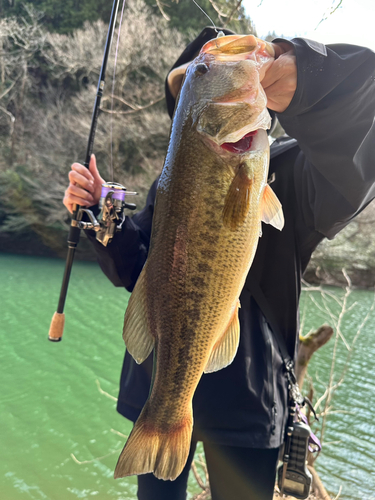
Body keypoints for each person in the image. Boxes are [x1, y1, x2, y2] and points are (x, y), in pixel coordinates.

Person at [63, 27, 375, 500]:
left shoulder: (297, 172)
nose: (206, 78)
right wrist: (101, 216)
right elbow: (135, 271)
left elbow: (358, 145)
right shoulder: (167, 187)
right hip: (163, 383)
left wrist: (310, 79)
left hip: (249, 397)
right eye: (197, 76)